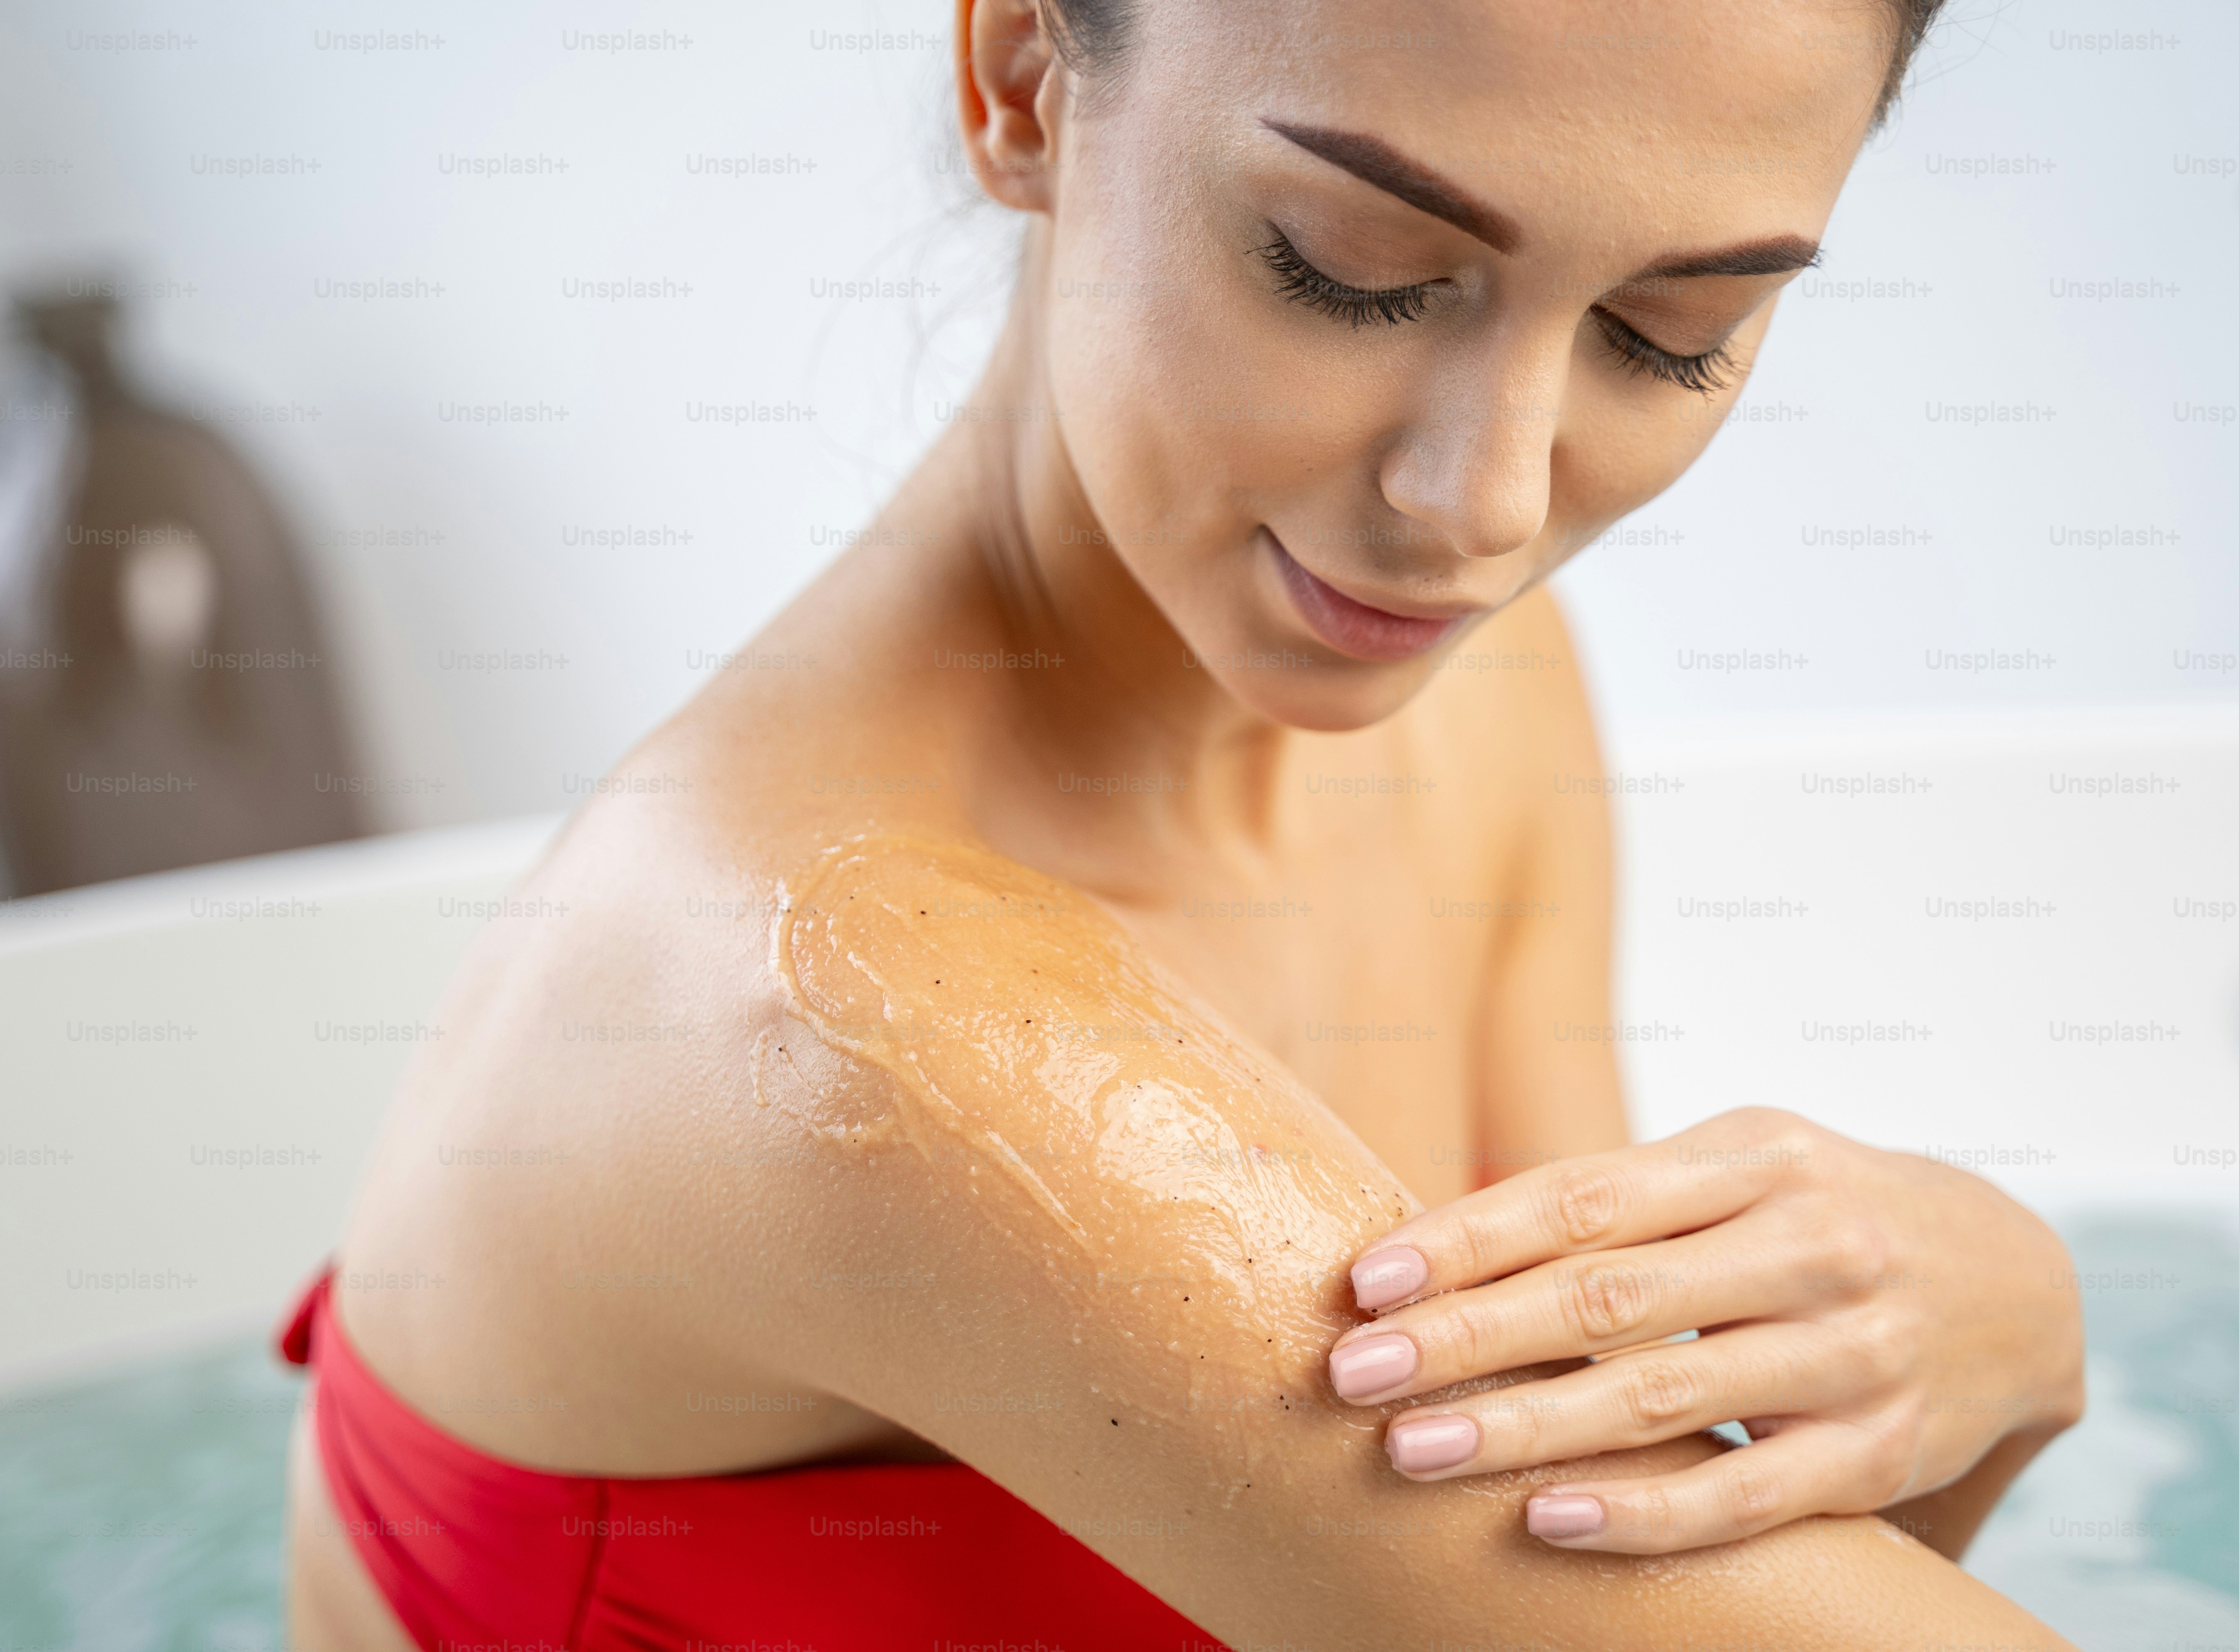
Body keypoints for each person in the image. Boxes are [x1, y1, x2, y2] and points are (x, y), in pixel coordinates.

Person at [282, 0, 2087, 1645]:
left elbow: (1686, 1547)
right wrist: (2041, 1346)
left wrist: (1992, 1346)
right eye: (1357, 271)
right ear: (1020, 81)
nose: (1482, 505)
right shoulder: (845, 1015)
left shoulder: (1483, 706)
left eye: (1670, 335)